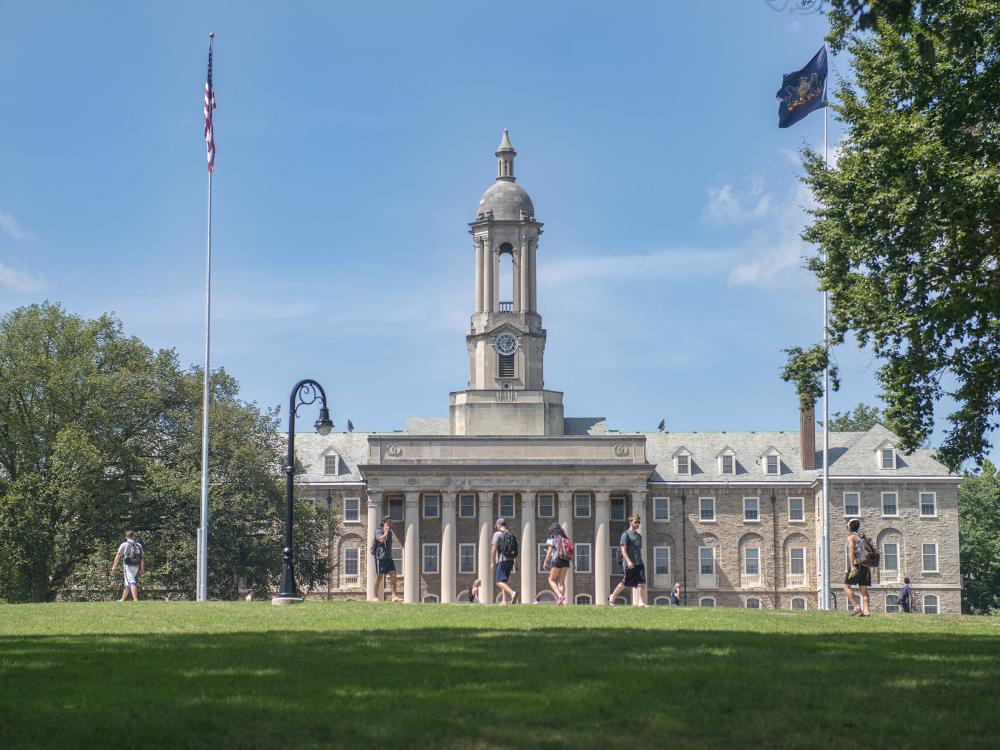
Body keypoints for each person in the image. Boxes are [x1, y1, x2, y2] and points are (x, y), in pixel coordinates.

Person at [610, 514, 649, 607]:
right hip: (629, 563)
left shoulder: (639, 536)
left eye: (639, 522)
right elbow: (623, 550)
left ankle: (640, 602)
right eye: (636, 522)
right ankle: (613, 595)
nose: (638, 524)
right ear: (630, 522)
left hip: (639, 562)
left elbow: (638, 549)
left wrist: (638, 560)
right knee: (625, 582)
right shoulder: (625, 535)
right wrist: (628, 561)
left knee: (642, 582)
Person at [843, 518, 871, 616]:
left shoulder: (851, 537)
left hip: (856, 565)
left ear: (849, 527)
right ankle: (866, 612)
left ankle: (856, 607)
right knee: (864, 590)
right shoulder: (863, 536)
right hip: (865, 566)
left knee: (846, 587)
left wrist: (852, 566)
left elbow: (851, 552)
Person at [372, 515, 401, 602]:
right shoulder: (378, 531)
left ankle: (394, 596)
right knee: (379, 577)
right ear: (385, 523)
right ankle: (375, 597)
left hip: (389, 557)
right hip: (380, 557)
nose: (391, 524)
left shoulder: (390, 533)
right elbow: (381, 540)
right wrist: (385, 532)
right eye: (389, 522)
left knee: (393, 575)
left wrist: (388, 532)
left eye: (391, 522)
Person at [490, 517, 518, 605]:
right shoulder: (511, 535)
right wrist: (516, 563)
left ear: (499, 525)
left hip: (502, 560)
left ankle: (512, 593)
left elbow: (494, 548)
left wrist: (492, 562)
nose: (496, 527)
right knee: (503, 581)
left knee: (498, 582)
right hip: (510, 561)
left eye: (496, 526)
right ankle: (504, 601)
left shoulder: (497, 534)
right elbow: (515, 549)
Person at [111, 531, 144, 602]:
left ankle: (135, 599)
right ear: (133, 536)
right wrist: (142, 569)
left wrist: (114, 565)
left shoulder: (124, 544)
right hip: (136, 565)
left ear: (126, 537)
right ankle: (122, 599)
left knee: (132, 582)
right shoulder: (139, 545)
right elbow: (141, 558)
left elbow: (118, 555)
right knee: (128, 583)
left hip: (128, 565)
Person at [542, 522, 571, 605]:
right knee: (561, 582)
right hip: (566, 560)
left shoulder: (552, 536)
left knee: (551, 579)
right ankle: (561, 602)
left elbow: (550, 550)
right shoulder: (564, 537)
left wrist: (545, 561)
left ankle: (560, 596)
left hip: (557, 559)